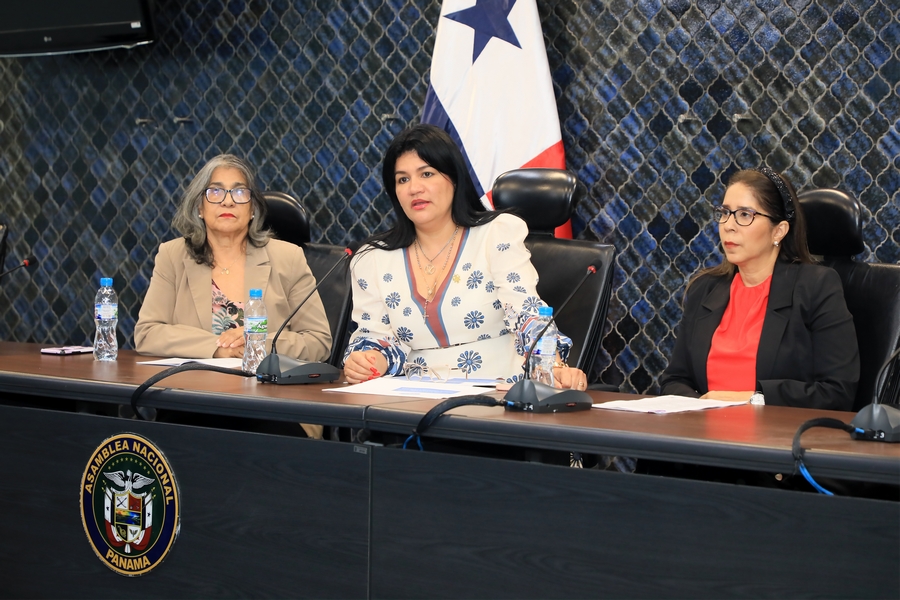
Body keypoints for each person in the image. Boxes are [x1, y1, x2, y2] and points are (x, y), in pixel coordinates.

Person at [342, 124, 588, 390]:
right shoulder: (373, 258)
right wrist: (367, 361)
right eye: (403, 179)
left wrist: (554, 366)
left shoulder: (495, 235)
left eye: (427, 174)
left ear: (454, 179)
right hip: (414, 396)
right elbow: (375, 336)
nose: (414, 188)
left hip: (497, 391)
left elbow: (527, 314)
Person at [134, 155, 332, 437]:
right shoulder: (173, 256)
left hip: (274, 403)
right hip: (194, 399)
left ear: (253, 209)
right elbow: (147, 333)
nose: (227, 201)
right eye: (215, 191)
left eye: (239, 192)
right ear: (199, 207)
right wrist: (217, 347)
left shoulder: (288, 258)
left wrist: (257, 343)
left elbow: (319, 341)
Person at [659, 167, 859, 410]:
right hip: (704, 430)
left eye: (744, 215)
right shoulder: (704, 289)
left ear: (779, 231)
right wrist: (703, 408)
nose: (728, 225)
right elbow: (674, 380)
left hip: (777, 432)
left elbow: (837, 392)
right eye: (725, 213)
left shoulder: (816, 286)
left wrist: (753, 400)